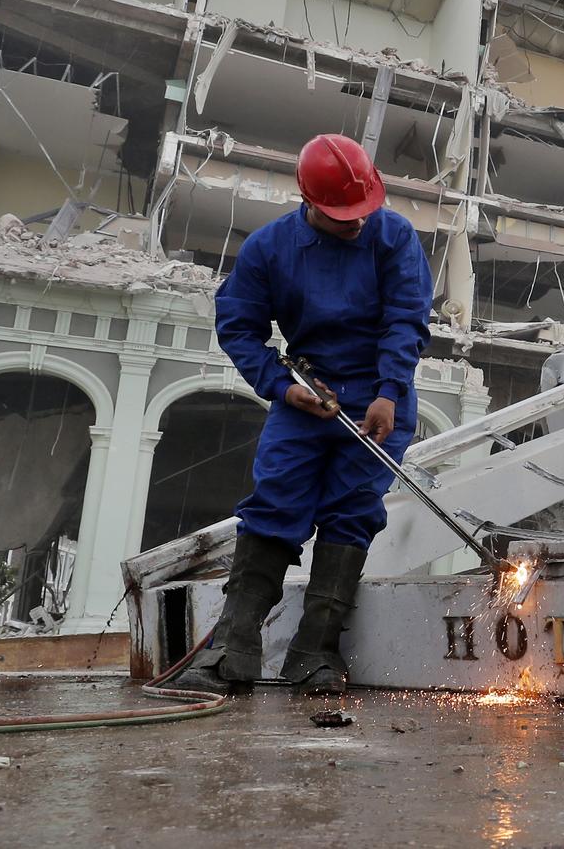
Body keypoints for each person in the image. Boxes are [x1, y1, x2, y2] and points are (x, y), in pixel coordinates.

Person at [172, 134, 432, 696]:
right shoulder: (269, 250)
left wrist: (390, 390)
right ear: (310, 202)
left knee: (352, 512)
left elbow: (405, 320)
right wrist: (279, 388)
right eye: (344, 217)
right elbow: (238, 325)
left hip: (381, 397)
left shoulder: (395, 235)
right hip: (305, 391)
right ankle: (231, 651)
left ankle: (313, 653)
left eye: (365, 211)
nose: (358, 224)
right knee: (274, 504)